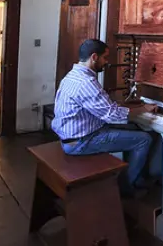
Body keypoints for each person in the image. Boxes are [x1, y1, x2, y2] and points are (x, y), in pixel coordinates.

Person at [52, 38, 156, 197]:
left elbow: (102, 107)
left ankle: (138, 177)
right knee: (144, 139)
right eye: (105, 58)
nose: (106, 62)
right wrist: (143, 109)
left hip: (76, 135)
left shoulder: (73, 75)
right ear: (94, 57)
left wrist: (129, 106)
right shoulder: (86, 82)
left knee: (133, 128)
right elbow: (111, 114)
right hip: (81, 141)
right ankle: (127, 188)